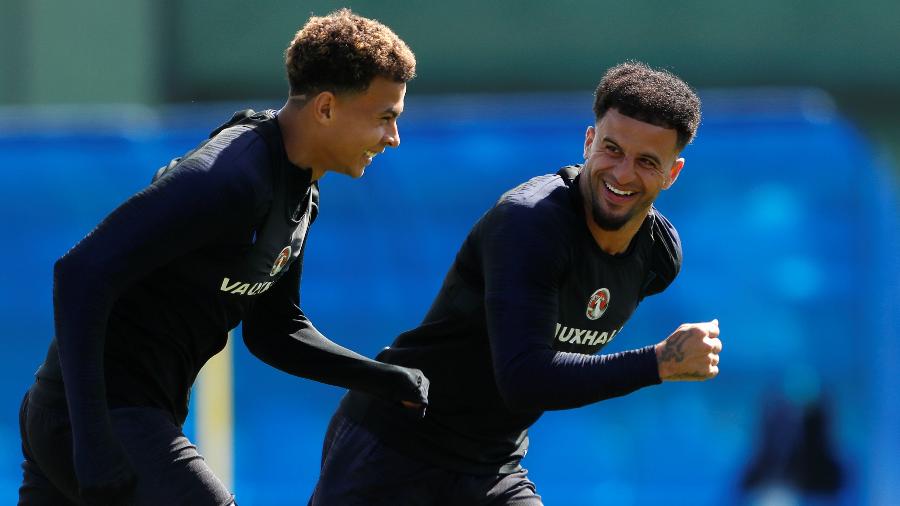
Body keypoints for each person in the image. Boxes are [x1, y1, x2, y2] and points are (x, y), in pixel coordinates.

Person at [17, 9, 428, 506]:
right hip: (100, 419)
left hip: (113, 418)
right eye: (385, 117)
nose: (393, 138)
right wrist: (93, 443)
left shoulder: (299, 194)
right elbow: (79, 273)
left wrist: (384, 379)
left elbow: (275, 331)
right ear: (325, 108)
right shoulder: (231, 176)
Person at [309, 62, 722, 505]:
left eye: (646, 162)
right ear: (588, 142)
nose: (622, 174)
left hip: (491, 466)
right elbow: (524, 379)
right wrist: (658, 362)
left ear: (672, 173)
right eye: (612, 149)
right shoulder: (529, 224)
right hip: (394, 451)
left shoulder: (658, 257)